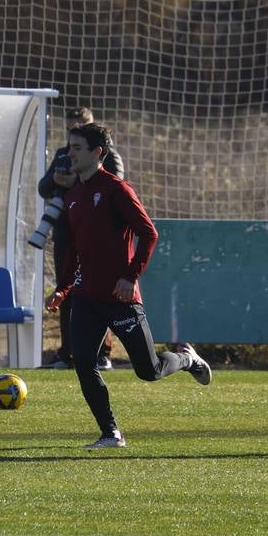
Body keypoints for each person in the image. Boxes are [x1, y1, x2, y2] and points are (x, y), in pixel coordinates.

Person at [49, 121, 211, 448]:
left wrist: (130, 277)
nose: (70, 154)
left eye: (77, 148)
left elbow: (149, 233)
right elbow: (75, 250)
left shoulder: (117, 190)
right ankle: (110, 433)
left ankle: (186, 358)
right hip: (86, 297)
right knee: (83, 361)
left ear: (97, 153)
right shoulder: (74, 196)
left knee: (149, 370)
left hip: (119, 297)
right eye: (69, 147)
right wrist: (63, 288)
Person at [38, 107, 124, 372]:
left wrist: (74, 182)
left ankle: (102, 354)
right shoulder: (63, 155)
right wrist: (55, 180)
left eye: (79, 129)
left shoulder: (108, 156)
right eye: (69, 130)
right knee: (66, 292)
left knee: (98, 292)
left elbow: (113, 185)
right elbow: (43, 187)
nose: (72, 136)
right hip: (66, 235)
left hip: (96, 238)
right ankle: (67, 353)